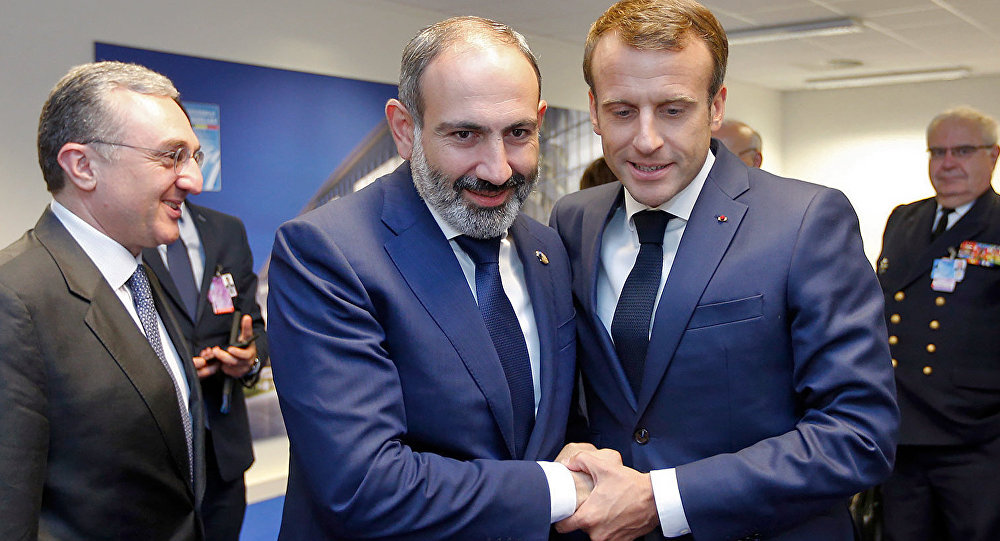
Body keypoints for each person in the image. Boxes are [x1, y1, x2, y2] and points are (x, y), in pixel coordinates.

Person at [549, 1, 899, 539]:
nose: (646, 139)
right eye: (622, 111)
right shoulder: (574, 221)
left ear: (715, 107)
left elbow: (859, 435)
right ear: (594, 110)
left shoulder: (805, 221)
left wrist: (662, 499)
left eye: (673, 110)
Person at [267, 16, 584, 540]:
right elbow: (364, 486)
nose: (498, 169)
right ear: (404, 129)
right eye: (464, 134)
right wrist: (562, 488)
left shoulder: (546, 248)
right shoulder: (327, 253)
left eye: (518, 133)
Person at [0, 61, 206, 539]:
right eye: (171, 156)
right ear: (83, 166)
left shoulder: (141, 277)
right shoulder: (15, 300)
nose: (194, 180)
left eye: (194, 156)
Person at [876, 106, 1000, 541]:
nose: (947, 163)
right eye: (937, 152)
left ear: (993, 155)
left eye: (962, 151)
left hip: (977, 435)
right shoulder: (904, 219)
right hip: (902, 427)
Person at [143, 201, 267, 541]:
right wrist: (172, 371)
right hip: (158, 457)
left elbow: (253, 324)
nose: (192, 179)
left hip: (224, 454)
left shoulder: (226, 230)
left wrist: (250, 357)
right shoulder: (128, 230)